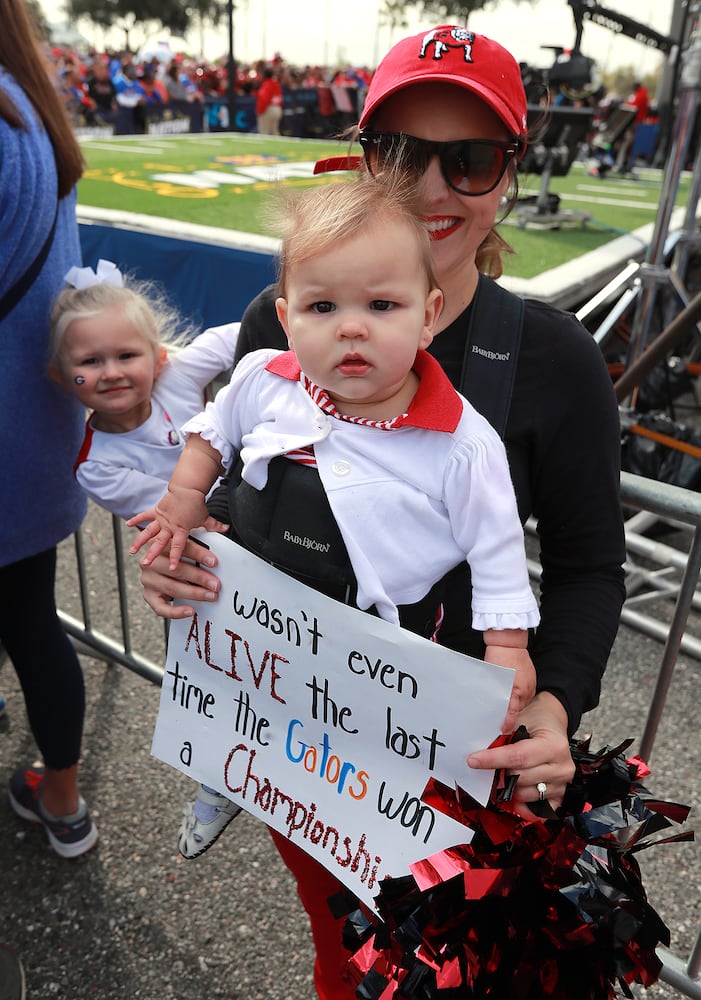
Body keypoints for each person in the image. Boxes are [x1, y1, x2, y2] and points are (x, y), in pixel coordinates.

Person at [137, 25, 626, 998]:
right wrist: (185, 552)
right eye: (401, 153)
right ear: (363, 159)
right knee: (343, 960)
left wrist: (555, 703)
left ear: (508, 176)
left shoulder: (552, 359)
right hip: (303, 742)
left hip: (458, 765)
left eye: (470, 158)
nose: (434, 189)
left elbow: (586, 565)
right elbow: (239, 491)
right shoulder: (271, 326)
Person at [47, 261, 243, 858]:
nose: (110, 372)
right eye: (89, 363)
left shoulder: (177, 377)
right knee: (215, 667)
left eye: (126, 355)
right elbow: (174, 511)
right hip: (194, 563)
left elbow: (238, 335)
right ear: (61, 377)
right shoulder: (94, 463)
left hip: (258, 526)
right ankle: (223, 772)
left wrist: (300, 324)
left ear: (157, 356)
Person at [0, 0, 97, 858]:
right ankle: (63, 801)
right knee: (33, 618)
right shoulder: (32, 105)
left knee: (31, 622)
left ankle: (61, 798)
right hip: (37, 436)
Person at [255, 66, 283, 135]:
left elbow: (263, 99)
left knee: (264, 132)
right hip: (277, 108)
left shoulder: (266, 85)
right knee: (274, 132)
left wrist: (260, 111)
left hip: (268, 109)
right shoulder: (276, 83)